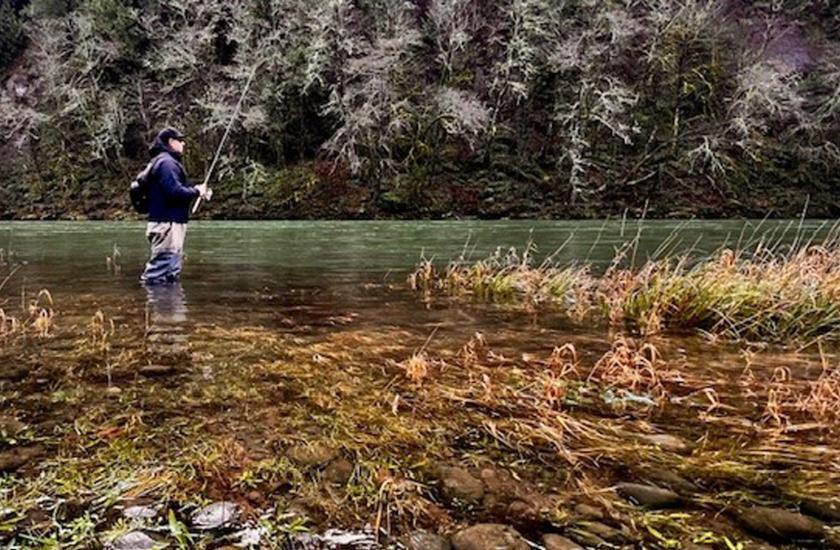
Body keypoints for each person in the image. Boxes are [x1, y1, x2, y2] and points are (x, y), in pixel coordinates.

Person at [140, 127, 210, 285]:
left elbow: (173, 191)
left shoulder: (161, 162)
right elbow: (175, 192)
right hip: (167, 225)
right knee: (158, 273)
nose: (184, 144)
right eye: (180, 140)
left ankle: (167, 307)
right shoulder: (167, 163)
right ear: (171, 142)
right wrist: (196, 191)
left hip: (167, 223)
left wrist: (195, 192)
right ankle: (153, 306)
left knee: (169, 274)